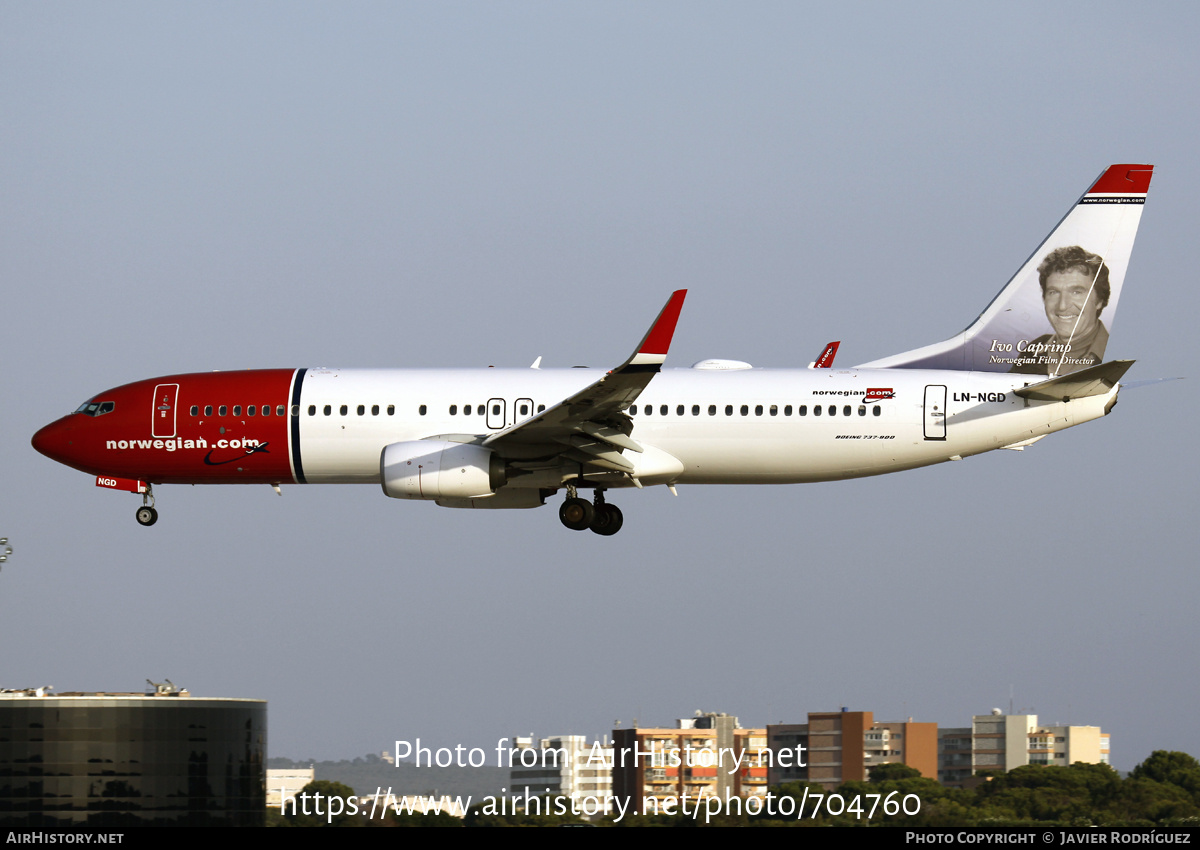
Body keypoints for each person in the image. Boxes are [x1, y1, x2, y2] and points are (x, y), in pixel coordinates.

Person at [1010, 245, 1110, 375]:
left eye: (1076, 292)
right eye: (1054, 292)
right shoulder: (1033, 351)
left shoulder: (1111, 353)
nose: (1062, 306)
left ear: (1099, 300)